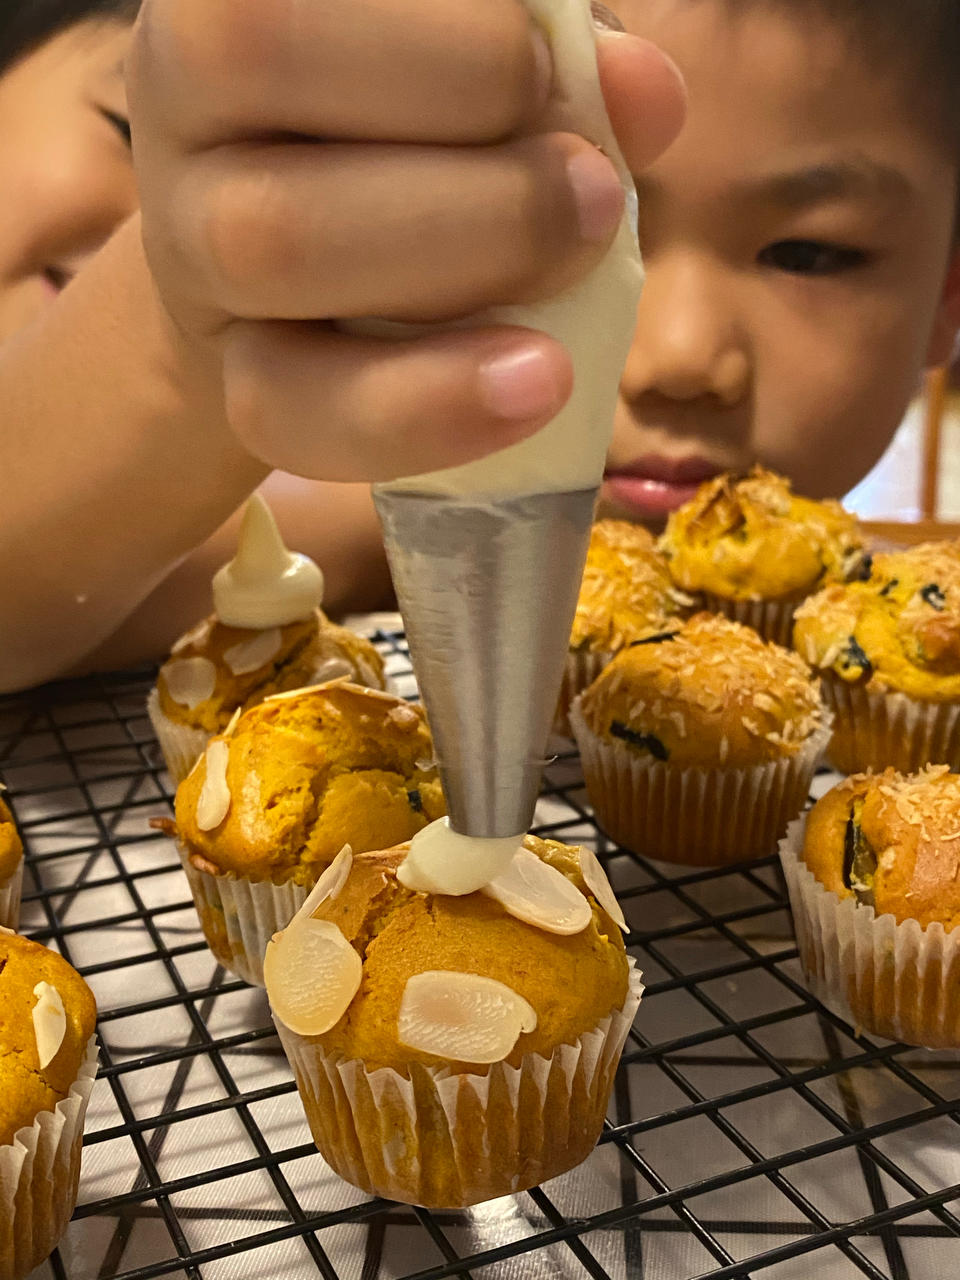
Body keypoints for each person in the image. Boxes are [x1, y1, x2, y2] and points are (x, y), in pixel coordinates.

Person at [1, 0, 957, 692]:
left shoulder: (915, 623)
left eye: (811, 253)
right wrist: (185, 348)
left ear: (947, 298)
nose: (677, 355)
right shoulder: (378, 525)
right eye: (591, 225)